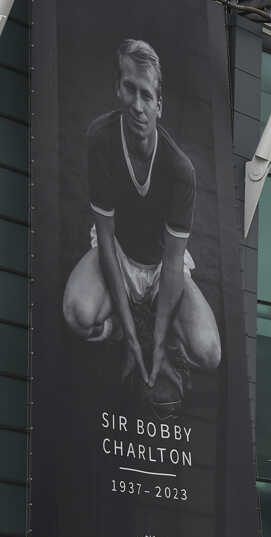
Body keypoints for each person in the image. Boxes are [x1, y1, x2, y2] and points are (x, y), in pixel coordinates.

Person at [62, 39, 220, 409]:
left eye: (146, 95)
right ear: (117, 89)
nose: (137, 104)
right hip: (117, 252)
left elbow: (172, 263)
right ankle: (122, 326)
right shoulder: (100, 138)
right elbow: (104, 235)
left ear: (159, 105)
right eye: (129, 89)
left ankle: (160, 334)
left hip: (163, 266)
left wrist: (160, 348)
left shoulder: (180, 171)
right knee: (77, 314)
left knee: (210, 353)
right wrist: (133, 341)